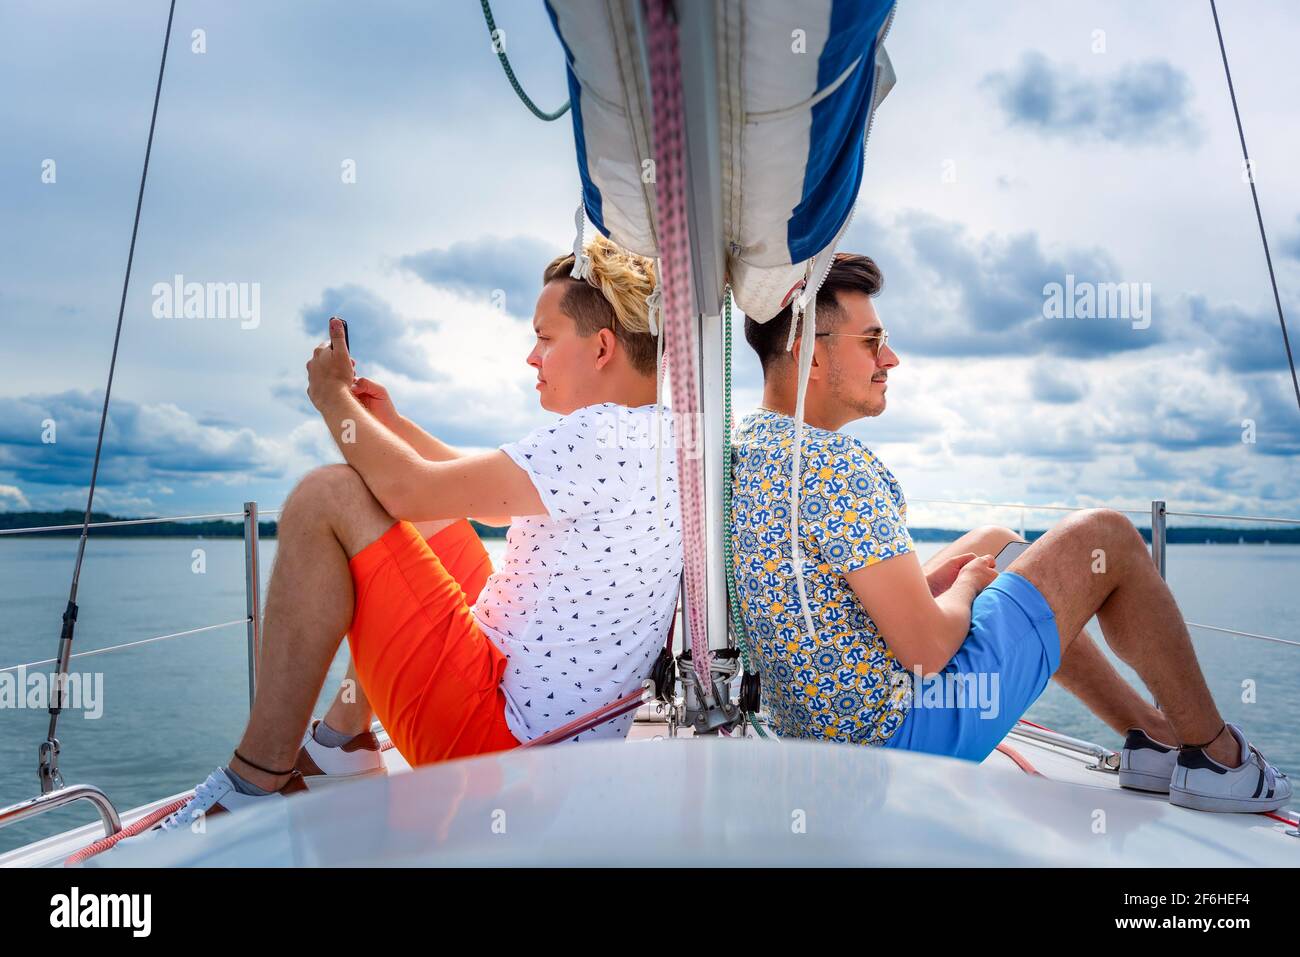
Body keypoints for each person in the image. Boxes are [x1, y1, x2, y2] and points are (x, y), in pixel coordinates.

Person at [730, 252, 1290, 813]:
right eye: (871, 341)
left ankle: (1149, 733)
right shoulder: (836, 466)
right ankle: (1218, 758)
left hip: (812, 735)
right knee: (1107, 537)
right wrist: (967, 588)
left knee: (997, 540)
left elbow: (820, 601)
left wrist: (946, 582)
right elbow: (926, 648)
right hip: (895, 743)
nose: (891, 358)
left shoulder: (748, 447)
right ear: (809, 355)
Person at [154, 236, 683, 829]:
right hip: (559, 748)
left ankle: (251, 787)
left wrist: (333, 401)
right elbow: (477, 498)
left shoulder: (598, 437)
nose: (531, 358)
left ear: (603, 347)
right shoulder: (657, 438)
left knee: (326, 496)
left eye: (544, 337)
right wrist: (393, 426)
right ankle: (343, 748)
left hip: (505, 754)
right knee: (433, 524)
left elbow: (407, 490)